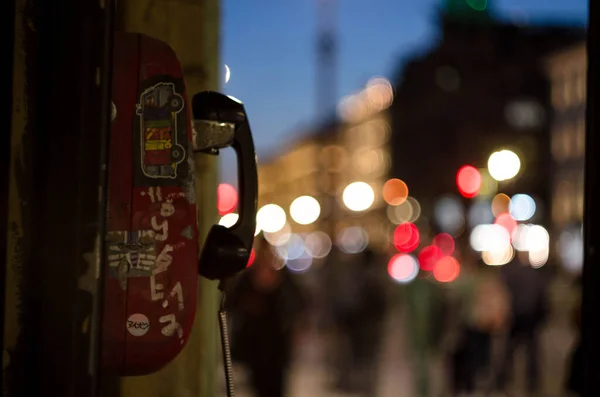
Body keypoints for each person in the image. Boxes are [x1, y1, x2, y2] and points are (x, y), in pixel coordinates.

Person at [228, 236, 307, 397]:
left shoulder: (284, 278)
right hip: (254, 345)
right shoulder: (247, 279)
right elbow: (232, 303)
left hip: (277, 344)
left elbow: (298, 303)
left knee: (276, 386)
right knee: (258, 385)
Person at [495, 254, 550, 395]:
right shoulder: (534, 274)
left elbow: (505, 294)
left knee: (510, 350)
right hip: (529, 316)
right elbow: (541, 294)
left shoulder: (510, 273)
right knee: (531, 351)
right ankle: (532, 382)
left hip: (516, 316)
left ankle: (504, 380)